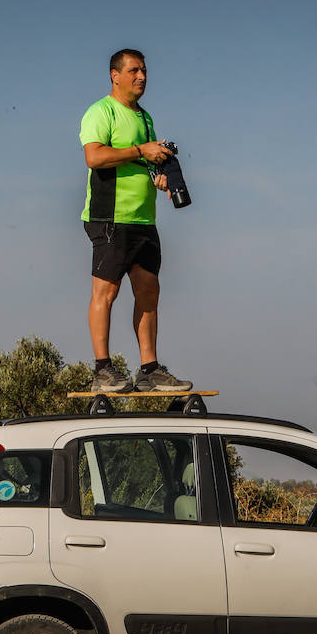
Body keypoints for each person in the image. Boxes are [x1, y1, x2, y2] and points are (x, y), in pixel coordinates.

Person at [79, 48, 192, 394]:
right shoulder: (101, 111)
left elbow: (146, 164)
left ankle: (149, 370)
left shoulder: (145, 118)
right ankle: (102, 370)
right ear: (115, 75)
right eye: (134, 71)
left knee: (148, 290)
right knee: (107, 290)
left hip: (144, 219)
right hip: (109, 216)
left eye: (144, 71)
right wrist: (141, 151)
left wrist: (160, 176)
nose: (141, 77)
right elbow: (94, 156)